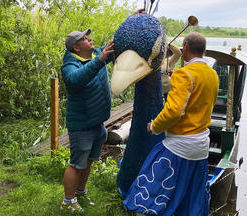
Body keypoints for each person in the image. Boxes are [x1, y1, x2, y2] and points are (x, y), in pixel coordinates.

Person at [123, 32, 219, 215]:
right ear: (204, 50)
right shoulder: (212, 74)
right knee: (190, 192)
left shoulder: (184, 75)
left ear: (186, 48)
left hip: (180, 144)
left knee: (151, 180)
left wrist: (154, 126)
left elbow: (174, 111)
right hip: (201, 146)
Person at [60, 28, 114, 212]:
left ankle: (80, 192)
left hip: (98, 123)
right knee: (76, 164)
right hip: (81, 126)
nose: (90, 39)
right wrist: (100, 61)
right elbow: (76, 79)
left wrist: (132, 19)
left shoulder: (98, 54)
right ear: (76, 47)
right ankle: (68, 201)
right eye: (84, 38)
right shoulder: (69, 66)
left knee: (89, 160)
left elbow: (116, 44)